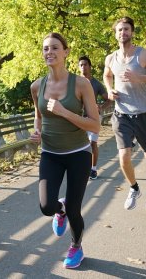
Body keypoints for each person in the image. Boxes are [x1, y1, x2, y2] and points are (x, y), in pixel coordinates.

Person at [30, 32, 100, 269]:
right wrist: (36, 131)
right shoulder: (37, 86)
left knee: (74, 208)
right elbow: (38, 116)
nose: (49, 52)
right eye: (45, 48)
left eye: (54, 48)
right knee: (46, 206)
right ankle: (59, 210)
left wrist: (64, 112)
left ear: (66, 52)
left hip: (79, 153)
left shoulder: (81, 84)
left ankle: (76, 247)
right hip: (50, 153)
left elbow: (95, 124)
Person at [103, 16, 146, 210]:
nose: (123, 33)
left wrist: (139, 77)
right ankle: (134, 188)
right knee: (123, 157)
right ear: (115, 34)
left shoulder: (144, 55)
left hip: (144, 113)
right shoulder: (111, 58)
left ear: (132, 32)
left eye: (126, 29)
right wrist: (109, 89)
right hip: (121, 114)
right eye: (119, 30)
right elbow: (107, 74)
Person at [78, 55, 111, 180]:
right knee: (80, 144)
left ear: (90, 67)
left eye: (85, 64)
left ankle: (93, 169)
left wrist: (101, 107)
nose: (83, 67)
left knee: (92, 143)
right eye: (81, 65)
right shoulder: (75, 82)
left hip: (93, 117)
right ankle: (81, 168)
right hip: (79, 118)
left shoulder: (96, 84)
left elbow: (108, 99)